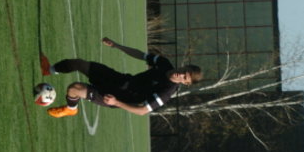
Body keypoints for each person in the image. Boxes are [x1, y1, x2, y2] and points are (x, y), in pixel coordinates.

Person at [40, 37, 202, 118]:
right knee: (78, 63)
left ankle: (70, 109)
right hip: (120, 80)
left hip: (117, 96)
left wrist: (117, 102)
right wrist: (117, 46)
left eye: (185, 78)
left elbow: (142, 111)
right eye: (184, 71)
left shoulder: (166, 92)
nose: (181, 74)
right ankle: (49, 70)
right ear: (184, 66)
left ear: (186, 83)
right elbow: (141, 55)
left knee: (74, 89)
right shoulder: (165, 64)